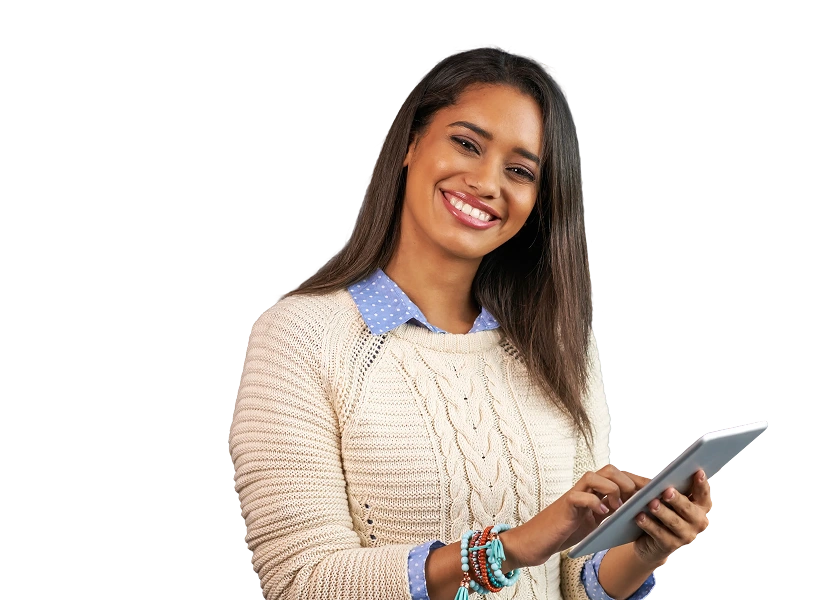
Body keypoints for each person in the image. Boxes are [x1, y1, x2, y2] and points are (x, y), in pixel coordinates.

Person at [228, 45, 712, 600]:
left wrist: (642, 550)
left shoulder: (558, 346)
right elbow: (299, 581)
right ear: (411, 143)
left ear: (538, 199)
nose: (486, 183)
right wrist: (509, 548)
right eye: (466, 143)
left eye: (519, 170)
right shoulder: (302, 339)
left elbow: (574, 583)